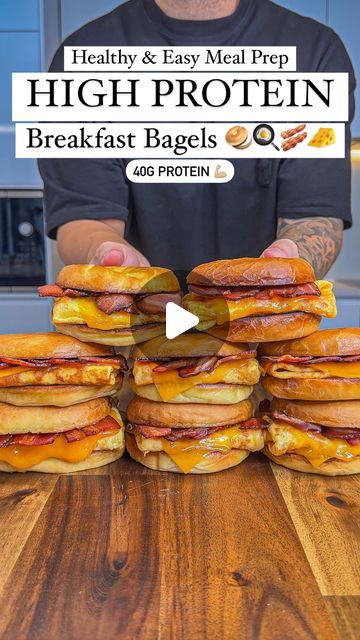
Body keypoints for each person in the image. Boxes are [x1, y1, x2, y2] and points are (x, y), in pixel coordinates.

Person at [39, 0, 355, 281]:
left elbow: (314, 216)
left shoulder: (312, 50)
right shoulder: (83, 59)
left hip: (265, 334)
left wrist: (285, 264)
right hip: (130, 332)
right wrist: (110, 257)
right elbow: (86, 218)